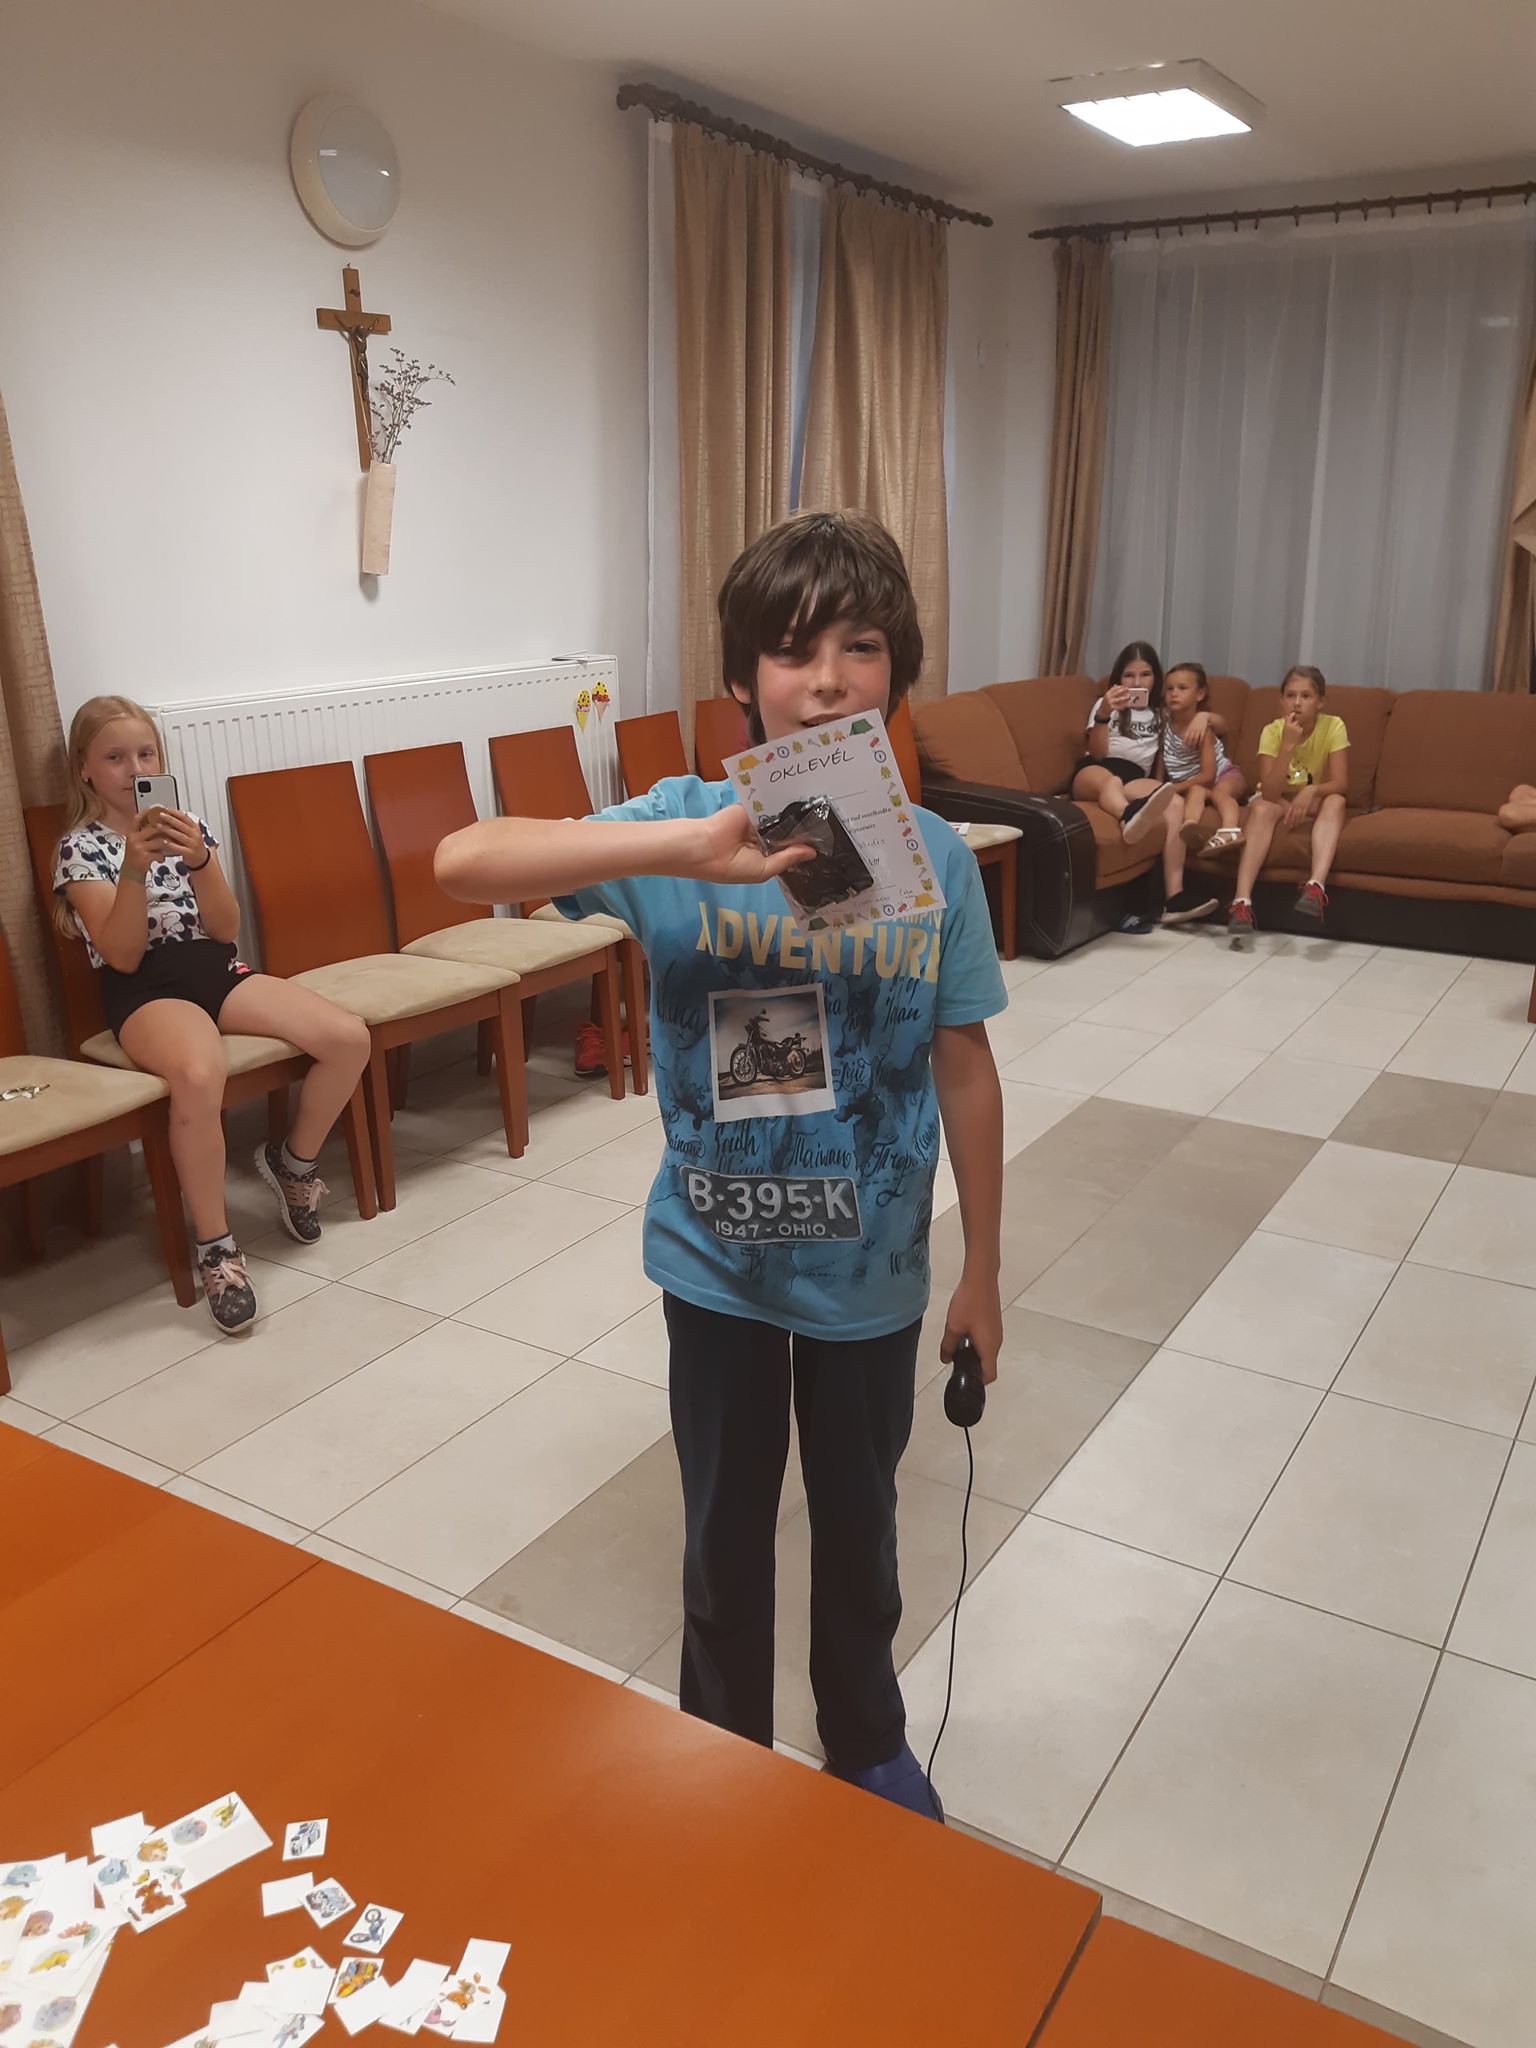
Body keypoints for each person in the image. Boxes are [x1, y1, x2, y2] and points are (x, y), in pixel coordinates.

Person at [435, 511, 1007, 1822]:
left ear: (897, 671)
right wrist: (679, 850)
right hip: (717, 1267)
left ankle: (864, 1731)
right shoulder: (680, 825)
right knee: (722, 1536)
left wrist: (984, 1267)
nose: (827, 680)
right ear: (744, 675)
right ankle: (721, 1750)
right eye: (792, 650)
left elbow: (965, 1062)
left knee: (860, 1529)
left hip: (873, 1275)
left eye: (859, 648)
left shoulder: (934, 857)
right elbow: (466, 861)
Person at [53, 696, 372, 1333]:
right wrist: (135, 867)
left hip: (212, 968)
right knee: (199, 1075)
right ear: (84, 769)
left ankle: (293, 1165)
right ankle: (217, 1249)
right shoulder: (79, 848)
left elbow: (226, 928)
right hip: (143, 988)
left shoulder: (187, 825)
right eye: (114, 758)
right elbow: (122, 954)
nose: (133, 769)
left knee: (348, 1037)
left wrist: (199, 859)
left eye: (145, 754)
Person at [1227, 665, 1350, 947]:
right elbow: (1270, 791)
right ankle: (1241, 902)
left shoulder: (1334, 726)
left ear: (1320, 702)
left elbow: (1341, 783)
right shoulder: (1272, 731)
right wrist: (1287, 746)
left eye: (1306, 696)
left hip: (1312, 800)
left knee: (1336, 802)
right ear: (1281, 701)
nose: (1297, 703)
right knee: (1260, 809)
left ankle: (1315, 887)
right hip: (1276, 800)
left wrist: (1311, 790)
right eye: (1291, 695)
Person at [1158, 661, 1246, 925]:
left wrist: (1172, 789)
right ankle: (1190, 826)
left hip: (1224, 776)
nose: (1174, 693)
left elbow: (1208, 775)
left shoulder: (1202, 729)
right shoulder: (1164, 727)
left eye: (1182, 688)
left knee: (1217, 793)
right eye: (1169, 688)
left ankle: (1230, 830)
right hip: (1194, 786)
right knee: (1197, 791)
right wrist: (1158, 790)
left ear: (1200, 694)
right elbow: (1161, 767)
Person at [1071, 642, 1180, 846]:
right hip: (1097, 770)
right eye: (1129, 675)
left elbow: (1217, 723)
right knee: (1113, 782)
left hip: (1135, 777)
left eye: (1145, 674)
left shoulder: (1161, 714)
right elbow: (1098, 754)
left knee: (1175, 802)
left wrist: (1205, 718)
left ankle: (1173, 870)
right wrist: (1104, 714)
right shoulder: (1105, 704)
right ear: (1119, 679)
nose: (1137, 682)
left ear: (1156, 678)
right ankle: (1128, 817)